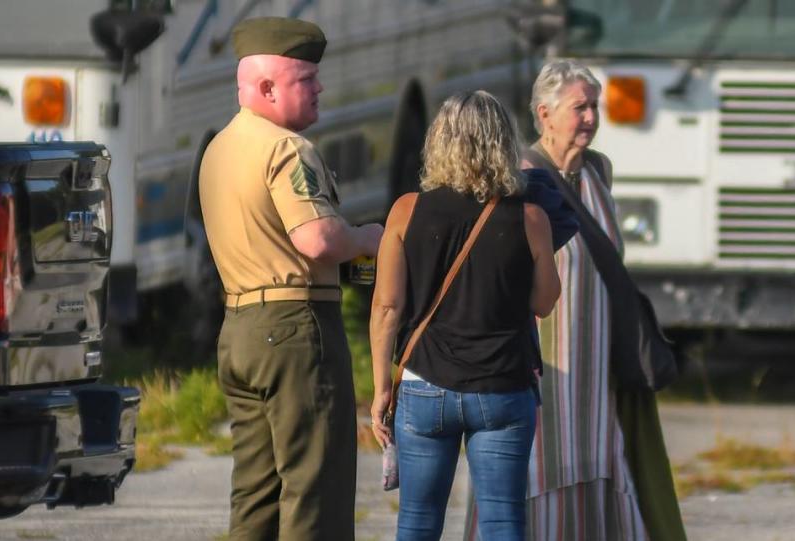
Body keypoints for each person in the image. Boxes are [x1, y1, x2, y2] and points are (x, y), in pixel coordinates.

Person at [466, 60, 687, 540]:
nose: (590, 118)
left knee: (597, 454)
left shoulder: (598, 171)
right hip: (544, 359)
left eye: (594, 107)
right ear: (544, 113)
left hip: (598, 360)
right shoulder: (519, 177)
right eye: (578, 107)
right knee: (540, 464)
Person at [198, 17, 383, 541]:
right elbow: (319, 240)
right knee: (313, 489)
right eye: (307, 79)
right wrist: (368, 237)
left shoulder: (218, 149)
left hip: (239, 328)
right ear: (266, 87)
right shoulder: (287, 149)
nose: (320, 87)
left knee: (255, 495)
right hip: (295, 327)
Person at [369, 90, 561, 541]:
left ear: (439, 141)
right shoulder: (531, 219)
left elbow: (386, 308)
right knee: (501, 523)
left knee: (417, 522)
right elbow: (545, 302)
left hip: (423, 387)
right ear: (503, 144)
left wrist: (381, 388)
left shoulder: (405, 211)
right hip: (502, 388)